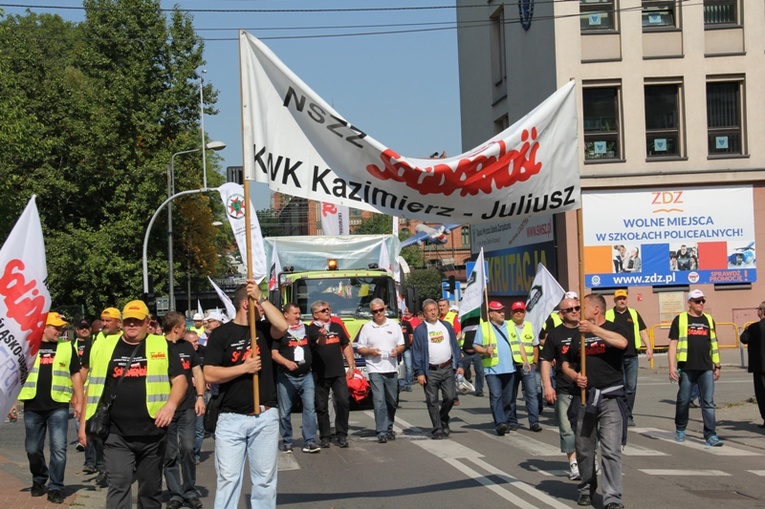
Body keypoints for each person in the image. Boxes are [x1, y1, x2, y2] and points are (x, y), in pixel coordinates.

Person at [78, 300, 187, 509]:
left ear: (147, 322)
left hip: (153, 433)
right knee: (118, 485)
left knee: (150, 491)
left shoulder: (161, 345)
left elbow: (180, 380)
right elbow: (93, 387)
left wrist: (170, 406)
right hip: (115, 434)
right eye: (128, 320)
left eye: (137, 321)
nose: (132, 325)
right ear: (121, 323)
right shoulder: (105, 345)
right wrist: (83, 423)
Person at [203, 281, 288, 509]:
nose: (263, 309)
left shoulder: (263, 330)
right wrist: (243, 368)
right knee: (229, 479)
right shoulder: (221, 334)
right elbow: (209, 373)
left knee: (265, 480)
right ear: (244, 304)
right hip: (231, 419)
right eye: (258, 306)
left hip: (265, 416)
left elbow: (282, 325)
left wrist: (261, 297)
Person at [561, 293, 628, 509]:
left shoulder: (614, 328)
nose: (578, 313)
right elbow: (566, 363)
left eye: (583, 308)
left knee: (611, 450)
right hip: (585, 398)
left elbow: (623, 343)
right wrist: (575, 377)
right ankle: (586, 488)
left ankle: (612, 498)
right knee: (584, 448)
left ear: (596, 310)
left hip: (610, 397)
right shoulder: (578, 335)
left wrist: (594, 331)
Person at [19, 312, 84, 504]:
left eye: (61, 327)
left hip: (58, 406)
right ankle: (39, 479)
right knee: (32, 449)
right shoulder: (28, 347)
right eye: (56, 327)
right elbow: (15, 375)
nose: (60, 331)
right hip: (32, 405)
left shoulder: (66, 347)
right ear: (43, 327)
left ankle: (56, 486)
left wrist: (79, 400)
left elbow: (76, 375)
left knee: (59, 448)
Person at [668, 289, 723, 447]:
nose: (701, 304)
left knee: (708, 402)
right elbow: (673, 344)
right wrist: (672, 366)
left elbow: (714, 344)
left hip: (706, 367)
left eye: (702, 301)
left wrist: (717, 366)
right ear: (689, 303)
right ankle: (680, 429)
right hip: (686, 367)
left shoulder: (709, 320)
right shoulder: (681, 319)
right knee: (684, 400)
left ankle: (710, 435)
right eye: (697, 301)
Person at [163, 311, 206, 509]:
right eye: (183, 325)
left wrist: (200, 397)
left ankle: (189, 490)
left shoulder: (187, 346)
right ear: (176, 328)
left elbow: (197, 371)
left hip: (188, 405)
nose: (186, 328)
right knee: (169, 453)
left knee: (188, 448)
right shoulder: (159, 346)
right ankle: (175, 494)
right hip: (166, 408)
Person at [79, 307, 122, 487]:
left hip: (119, 395)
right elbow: (85, 368)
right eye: (102, 320)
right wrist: (78, 394)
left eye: (108, 320)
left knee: (117, 435)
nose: (104, 324)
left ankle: (118, 469)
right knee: (98, 433)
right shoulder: (94, 340)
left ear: (118, 323)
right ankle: (104, 469)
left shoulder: (124, 339)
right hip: (97, 396)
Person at [540, 295, 581, 480]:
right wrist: (548, 386)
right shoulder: (555, 335)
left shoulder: (587, 329)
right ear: (561, 314)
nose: (575, 312)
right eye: (570, 310)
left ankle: (590, 459)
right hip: (564, 388)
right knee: (566, 427)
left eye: (577, 308)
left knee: (588, 427)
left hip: (587, 388)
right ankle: (573, 463)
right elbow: (546, 360)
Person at [271, 302, 320, 454]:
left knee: (310, 409)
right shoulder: (280, 332)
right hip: (286, 376)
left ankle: (310, 441)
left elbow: (318, 343)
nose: (298, 316)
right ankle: (287, 441)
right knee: (285, 412)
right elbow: (274, 353)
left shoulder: (306, 329)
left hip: (306, 376)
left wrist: (323, 336)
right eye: (295, 313)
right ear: (286, 315)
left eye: (299, 313)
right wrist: (286, 362)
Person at [412, 298, 464, 439]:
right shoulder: (420, 330)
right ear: (425, 313)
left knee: (449, 397)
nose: (433, 312)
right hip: (430, 371)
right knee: (432, 401)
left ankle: (443, 418)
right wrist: (419, 373)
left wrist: (459, 364)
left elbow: (455, 346)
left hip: (447, 368)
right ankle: (437, 429)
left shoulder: (446, 326)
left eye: (435, 309)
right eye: (430, 310)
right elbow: (416, 352)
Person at [307, 300, 356, 449]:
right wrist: (322, 335)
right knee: (322, 406)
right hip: (320, 374)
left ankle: (342, 434)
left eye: (328, 309)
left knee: (343, 401)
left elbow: (346, 346)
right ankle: (325, 436)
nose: (327, 311)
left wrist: (351, 366)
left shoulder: (336, 326)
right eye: (323, 310)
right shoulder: (310, 330)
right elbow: (319, 343)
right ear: (315, 314)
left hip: (338, 372)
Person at [357, 298, 405, 443]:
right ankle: (381, 431)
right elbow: (360, 348)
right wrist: (371, 351)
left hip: (391, 368)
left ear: (385, 309)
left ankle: (389, 427)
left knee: (392, 400)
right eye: (375, 311)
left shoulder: (394, 325)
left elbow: (401, 344)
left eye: (381, 310)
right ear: (371, 312)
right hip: (375, 368)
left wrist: (397, 351)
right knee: (379, 400)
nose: (378, 313)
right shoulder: (367, 327)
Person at [605, 289, 653, 427]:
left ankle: (627, 414)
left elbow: (642, 330)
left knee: (631, 387)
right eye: (619, 298)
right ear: (614, 300)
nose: (622, 301)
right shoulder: (609, 314)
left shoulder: (633, 313)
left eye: (624, 298)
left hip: (632, 356)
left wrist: (648, 347)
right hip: (615, 356)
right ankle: (619, 414)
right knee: (619, 386)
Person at [472, 301, 518, 435]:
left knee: (508, 398)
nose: (502, 313)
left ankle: (507, 420)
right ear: (491, 314)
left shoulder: (510, 325)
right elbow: (475, 345)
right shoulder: (484, 327)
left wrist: (525, 361)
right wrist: (485, 350)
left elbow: (518, 343)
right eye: (498, 311)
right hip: (492, 369)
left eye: (502, 311)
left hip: (509, 368)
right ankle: (500, 423)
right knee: (496, 396)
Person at [504, 300, 542, 431]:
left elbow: (535, 346)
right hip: (512, 365)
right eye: (516, 311)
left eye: (521, 311)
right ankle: (512, 421)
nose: (518, 313)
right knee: (511, 396)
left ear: (525, 313)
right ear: (511, 313)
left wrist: (535, 362)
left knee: (532, 394)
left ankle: (534, 422)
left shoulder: (530, 326)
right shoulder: (506, 325)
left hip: (528, 366)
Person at [740, 301, 765, 428]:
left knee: (762, 394)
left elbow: (743, 339)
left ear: (761, 311)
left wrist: (746, 330)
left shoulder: (754, 327)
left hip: (760, 366)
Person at [73, 319, 91, 453]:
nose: (84, 330)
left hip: (90, 384)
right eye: (81, 328)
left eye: (86, 327)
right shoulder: (70, 345)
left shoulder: (94, 343)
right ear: (76, 330)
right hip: (76, 384)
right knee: (78, 414)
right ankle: (82, 438)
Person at [459, 313, 485, 398]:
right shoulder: (464, 321)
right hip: (465, 351)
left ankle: (479, 390)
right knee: (463, 370)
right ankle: (464, 387)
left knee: (480, 371)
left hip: (477, 352)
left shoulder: (480, 322)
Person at [399, 308, 419, 392]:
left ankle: (408, 383)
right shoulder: (393, 324)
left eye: (400, 314)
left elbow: (411, 335)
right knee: (399, 367)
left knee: (409, 366)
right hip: (397, 349)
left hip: (407, 347)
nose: (399, 315)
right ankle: (401, 384)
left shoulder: (406, 323)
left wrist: (411, 344)